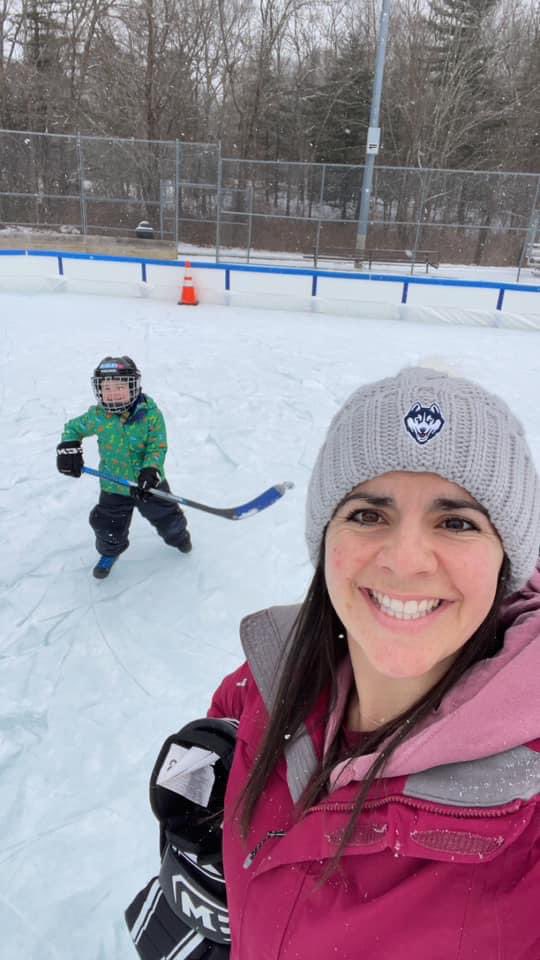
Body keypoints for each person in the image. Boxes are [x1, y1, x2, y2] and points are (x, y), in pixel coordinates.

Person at [128, 366, 540, 959]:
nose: (405, 561)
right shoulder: (272, 674)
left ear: (507, 560)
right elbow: (231, 714)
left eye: (456, 522)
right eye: (368, 515)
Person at [56, 356, 192, 578]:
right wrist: (68, 447)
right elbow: (73, 428)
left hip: (149, 483)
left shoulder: (150, 415)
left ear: (134, 386)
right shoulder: (99, 416)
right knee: (107, 527)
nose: (113, 393)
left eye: (120, 386)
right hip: (114, 486)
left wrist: (151, 469)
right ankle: (111, 551)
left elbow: (157, 445)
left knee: (167, 516)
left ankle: (178, 537)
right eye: (106, 388)